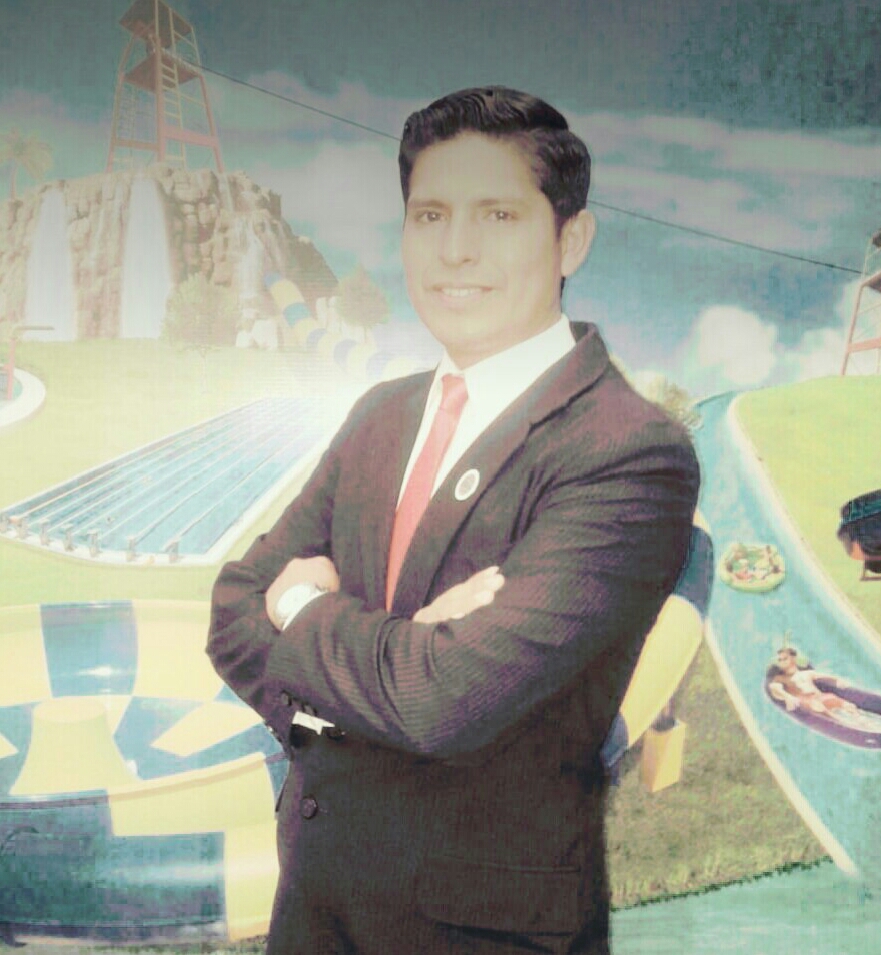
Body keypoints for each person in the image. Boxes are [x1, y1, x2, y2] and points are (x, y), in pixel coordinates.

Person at [208, 86, 700, 955]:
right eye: (429, 215)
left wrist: (302, 609)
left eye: (497, 215)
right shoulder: (381, 412)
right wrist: (386, 670)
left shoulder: (627, 448)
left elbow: (440, 701)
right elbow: (232, 608)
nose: (455, 249)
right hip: (314, 906)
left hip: (481, 930)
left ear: (571, 239)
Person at [768, 647, 856, 716]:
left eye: (784, 659)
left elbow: (826, 676)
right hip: (807, 702)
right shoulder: (780, 678)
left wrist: (839, 680)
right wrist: (787, 696)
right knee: (819, 707)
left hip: (820, 697)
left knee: (848, 705)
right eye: (779, 660)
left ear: (793, 659)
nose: (782, 662)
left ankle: (859, 719)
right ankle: (844, 723)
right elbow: (774, 687)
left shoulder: (807, 673)